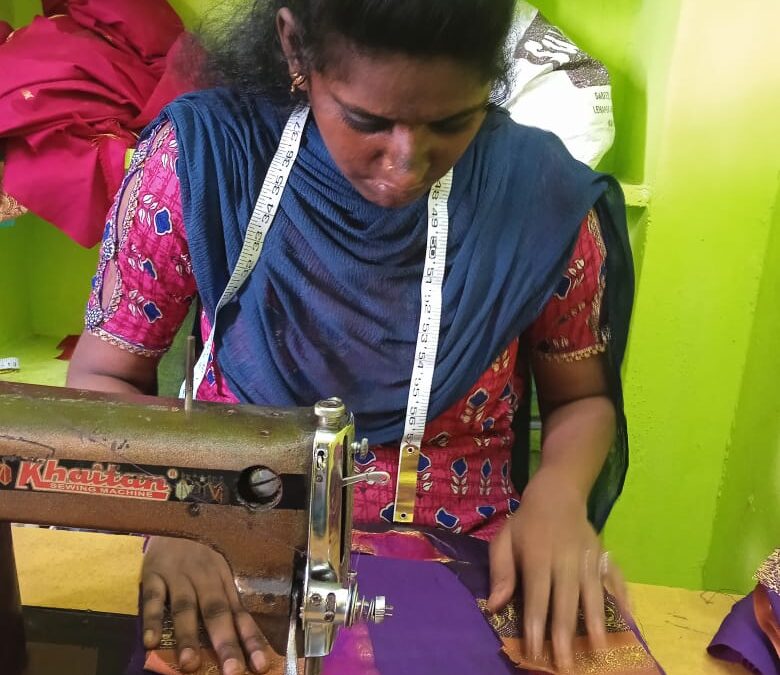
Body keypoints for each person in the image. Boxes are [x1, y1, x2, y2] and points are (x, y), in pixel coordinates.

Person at [66, 1, 640, 674]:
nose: (403, 164)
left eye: (452, 122)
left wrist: (559, 497)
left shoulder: (538, 196)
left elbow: (581, 401)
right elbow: (103, 382)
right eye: (367, 121)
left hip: (469, 561)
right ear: (295, 49)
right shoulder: (200, 161)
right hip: (223, 538)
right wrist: (175, 516)